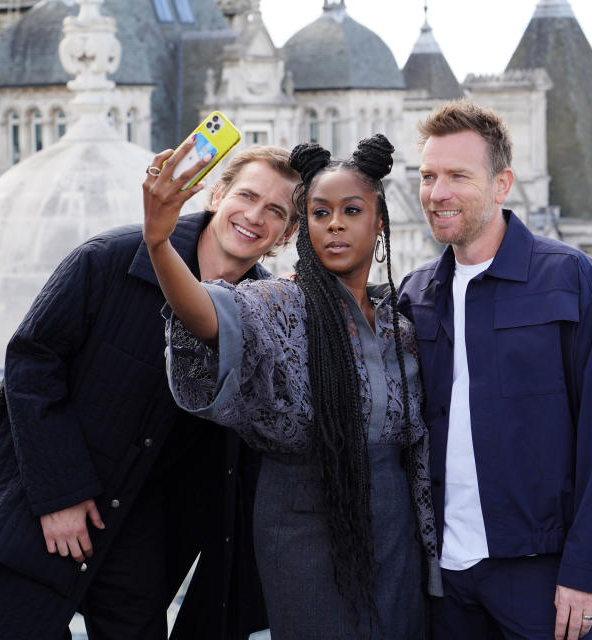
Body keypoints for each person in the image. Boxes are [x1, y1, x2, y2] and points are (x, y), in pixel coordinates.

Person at [0, 145, 300, 640]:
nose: (255, 215)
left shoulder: (268, 315)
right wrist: (60, 495)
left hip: (144, 542)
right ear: (217, 195)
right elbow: (30, 363)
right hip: (45, 514)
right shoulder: (108, 259)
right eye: (247, 195)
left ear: (287, 234)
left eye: (276, 211)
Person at [143, 134, 441, 640]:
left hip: (394, 523)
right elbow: (208, 315)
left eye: (352, 210)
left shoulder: (401, 326)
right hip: (301, 518)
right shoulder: (276, 304)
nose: (336, 224)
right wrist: (158, 242)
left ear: (380, 223)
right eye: (320, 213)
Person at [398, 100, 592, 640]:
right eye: (428, 177)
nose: (437, 193)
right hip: (441, 578)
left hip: (541, 575)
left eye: (458, 175)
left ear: (502, 184)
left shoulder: (572, 280)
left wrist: (586, 571)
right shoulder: (414, 295)